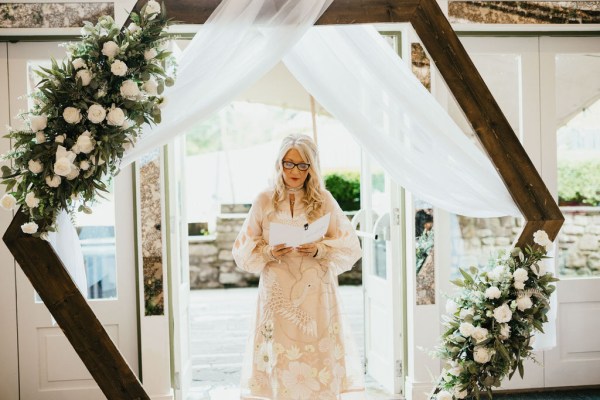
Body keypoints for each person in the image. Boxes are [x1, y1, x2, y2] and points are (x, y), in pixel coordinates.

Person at [232, 134, 365, 399]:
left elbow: (350, 244)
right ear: (279, 164)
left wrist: (320, 248)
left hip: (316, 291)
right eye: (289, 164)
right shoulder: (264, 200)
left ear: (312, 167)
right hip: (277, 291)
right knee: (279, 353)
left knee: (318, 352)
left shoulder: (324, 199)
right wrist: (269, 250)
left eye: (303, 165)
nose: (295, 171)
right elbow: (242, 248)